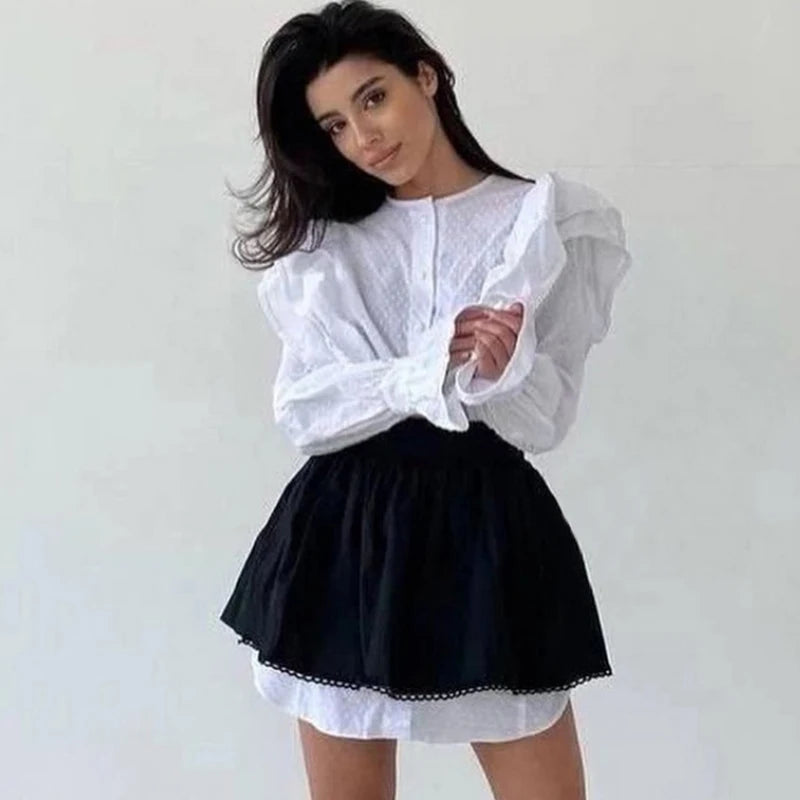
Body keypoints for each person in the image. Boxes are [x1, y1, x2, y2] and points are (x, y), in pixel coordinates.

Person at [219, 1, 632, 797]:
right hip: (344, 535)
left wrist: (504, 369)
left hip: (486, 533)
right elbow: (305, 411)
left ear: (427, 76)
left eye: (373, 98)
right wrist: (426, 368)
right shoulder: (327, 245)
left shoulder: (543, 221)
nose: (363, 137)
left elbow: (545, 420)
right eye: (335, 126)